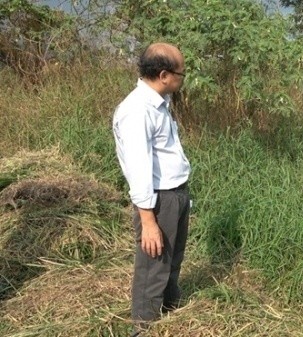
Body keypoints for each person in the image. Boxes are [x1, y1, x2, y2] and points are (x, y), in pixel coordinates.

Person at [112, 42, 191, 335]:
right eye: (181, 73)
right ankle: (143, 328)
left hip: (176, 194)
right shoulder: (137, 110)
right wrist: (148, 221)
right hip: (158, 201)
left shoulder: (160, 102)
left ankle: (173, 314)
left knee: (173, 259)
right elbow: (139, 169)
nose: (183, 78)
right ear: (164, 75)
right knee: (152, 269)